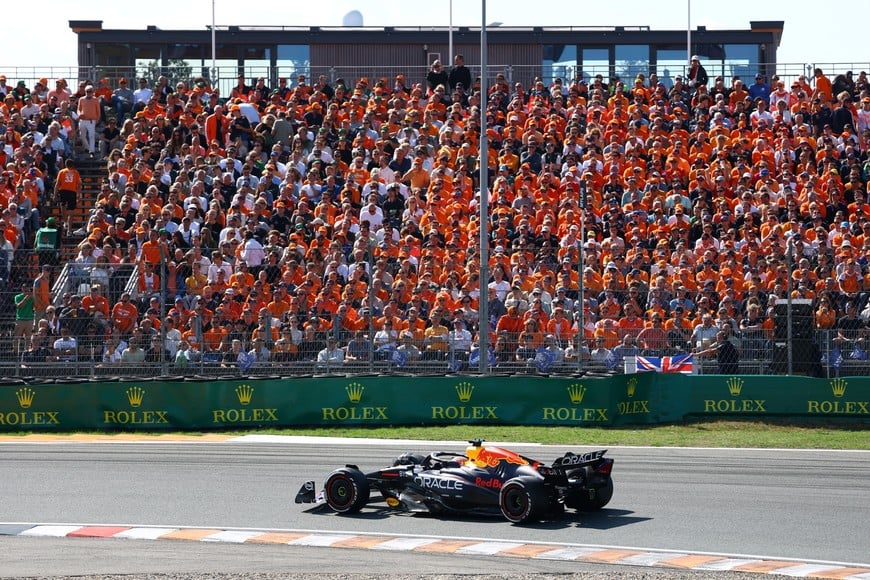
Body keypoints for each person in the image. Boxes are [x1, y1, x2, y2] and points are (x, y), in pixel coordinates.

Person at [77, 84, 100, 158]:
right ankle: (88, 147)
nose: (89, 93)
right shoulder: (81, 99)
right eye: (87, 91)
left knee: (91, 136)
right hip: (82, 120)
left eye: (90, 91)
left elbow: (98, 111)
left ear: (92, 92)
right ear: (85, 91)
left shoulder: (95, 100)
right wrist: (79, 114)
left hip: (91, 120)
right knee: (82, 136)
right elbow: (78, 109)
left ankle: (92, 151)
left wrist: (97, 120)